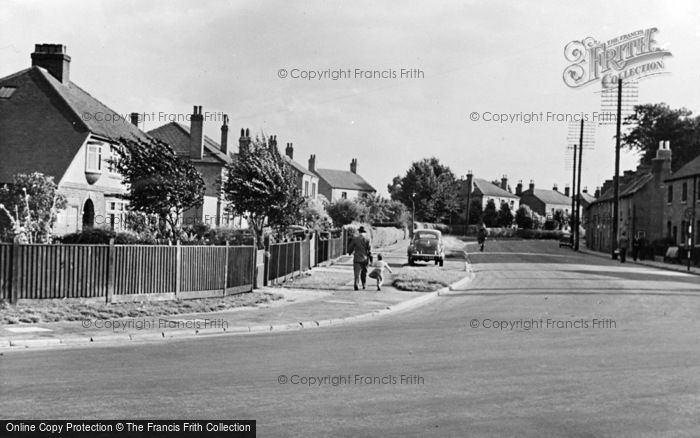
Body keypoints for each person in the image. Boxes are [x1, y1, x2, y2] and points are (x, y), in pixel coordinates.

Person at [347, 226, 372, 290]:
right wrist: (370, 258)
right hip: (365, 259)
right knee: (364, 273)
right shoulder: (368, 239)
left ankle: (356, 284)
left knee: (356, 273)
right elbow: (369, 249)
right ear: (364, 232)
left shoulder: (355, 239)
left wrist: (349, 252)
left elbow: (350, 247)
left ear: (359, 232)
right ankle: (364, 285)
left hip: (357, 258)